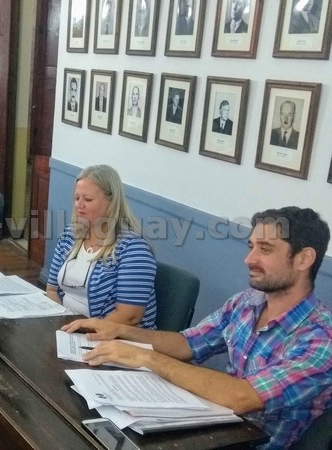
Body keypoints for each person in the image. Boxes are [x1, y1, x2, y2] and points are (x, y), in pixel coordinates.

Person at [63, 206, 332, 449]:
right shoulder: (246, 302)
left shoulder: (321, 339)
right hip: (218, 427)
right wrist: (122, 331)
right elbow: (189, 343)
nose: (249, 259)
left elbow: (243, 397)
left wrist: (147, 357)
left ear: (303, 259)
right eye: (251, 246)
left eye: (265, 249)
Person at [46, 165, 157, 327]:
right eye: (77, 198)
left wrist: (82, 329)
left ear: (111, 202)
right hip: (70, 326)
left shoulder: (133, 248)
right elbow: (52, 289)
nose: (79, 205)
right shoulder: (70, 234)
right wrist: (60, 323)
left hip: (114, 335)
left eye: (88, 199)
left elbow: (129, 316)